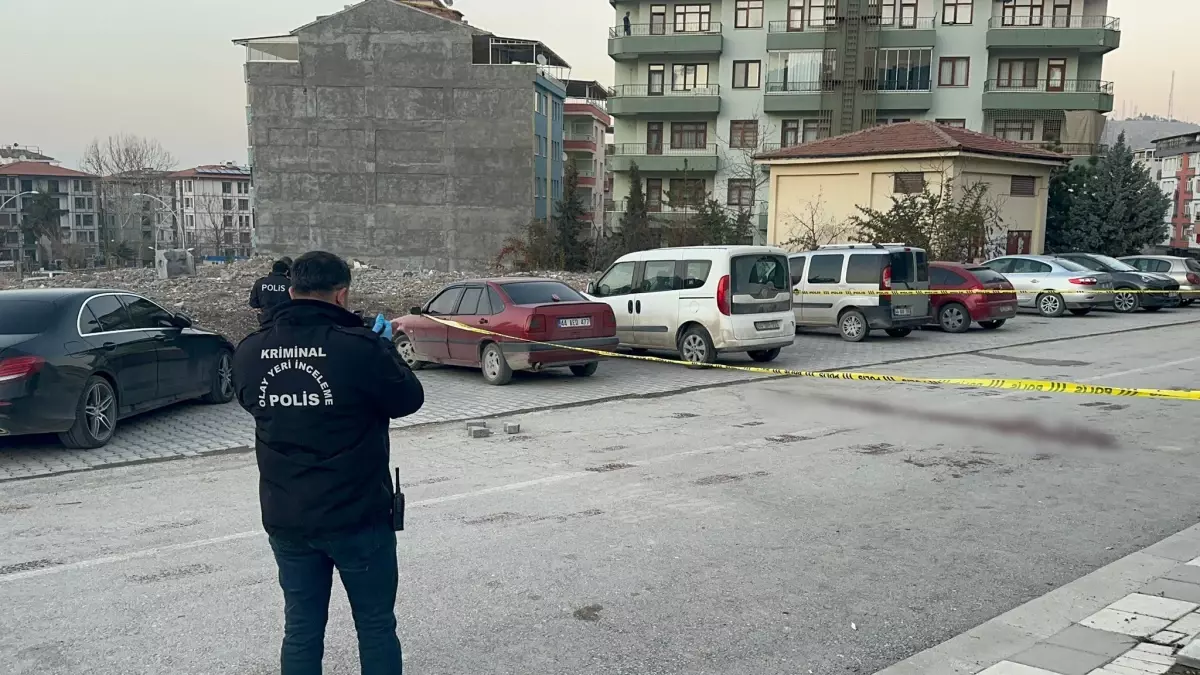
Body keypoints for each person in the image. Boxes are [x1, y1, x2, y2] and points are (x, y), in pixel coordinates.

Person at [232, 250, 424, 675]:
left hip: (287, 515)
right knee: (375, 625)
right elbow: (409, 400)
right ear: (341, 295)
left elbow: (250, 401)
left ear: (292, 291)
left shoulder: (250, 350)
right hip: (358, 516)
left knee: (301, 628)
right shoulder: (359, 348)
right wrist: (384, 348)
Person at [249, 260, 293, 324]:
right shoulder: (290, 283)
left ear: (273, 270)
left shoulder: (260, 282)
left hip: (266, 319)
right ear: (286, 271)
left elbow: (253, 303)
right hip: (284, 320)